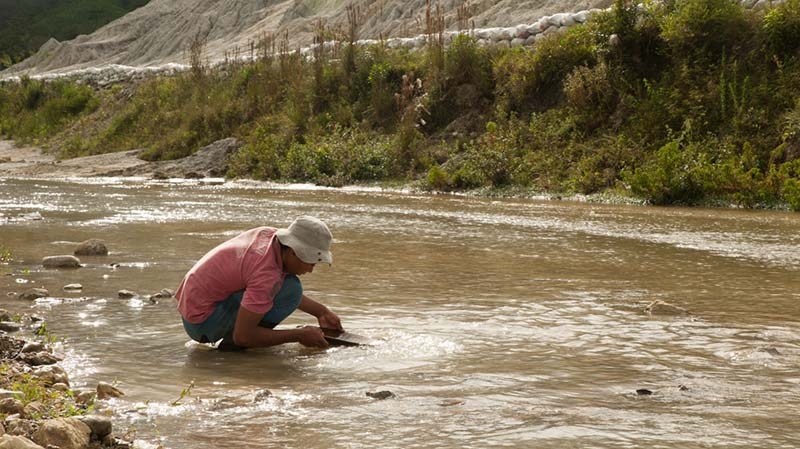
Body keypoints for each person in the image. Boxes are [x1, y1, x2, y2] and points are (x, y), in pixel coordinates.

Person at [175, 216, 343, 350]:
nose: (311, 269)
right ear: (293, 252)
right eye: (311, 262)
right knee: (292, 288)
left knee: (289, 287)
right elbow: (243, 336)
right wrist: (298, 335)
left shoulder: (270, 237)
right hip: (203, 322)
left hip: (194, 310)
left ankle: (244, 335)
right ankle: (233, 347)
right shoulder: (266, 273)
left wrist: (322, 312)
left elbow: (270, 289)